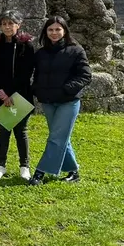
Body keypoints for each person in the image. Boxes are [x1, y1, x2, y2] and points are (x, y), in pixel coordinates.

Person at [29, 16, 92, 186]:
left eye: (58, 29)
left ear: (64, 31)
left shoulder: (76, 50)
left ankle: (39, 173)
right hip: (48, 102)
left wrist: (67, 89)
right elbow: (36, 75)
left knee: (56, 137)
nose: (54, 33)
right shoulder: (41, 53)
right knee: (61, 137)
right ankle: (73, 172)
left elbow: (85, 75)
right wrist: (37, 89)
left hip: (68, 102)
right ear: (46, 32)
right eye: (50, 29)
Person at [0, 10, 36, 181]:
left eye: (11, 23)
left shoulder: (26, 45)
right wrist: (1, 91)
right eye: (4, 24)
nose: (7, 27)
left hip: (20, 95)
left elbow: (26, 72)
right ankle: (0, 166)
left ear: (18, 25)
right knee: (3, 131)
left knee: (20, 131)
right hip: (1, 95)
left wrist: (12, 94)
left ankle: (25, 166)